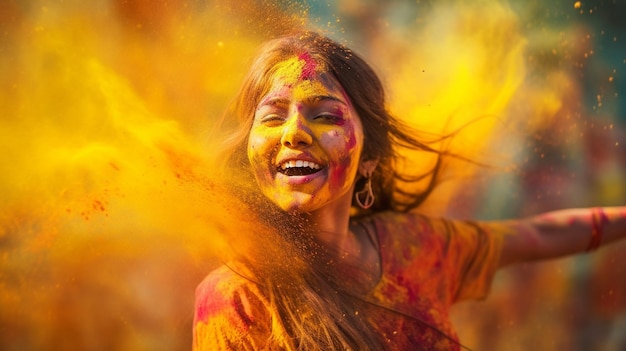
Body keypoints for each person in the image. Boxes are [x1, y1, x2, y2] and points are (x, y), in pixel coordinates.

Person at [192, 31, 626, 350]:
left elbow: (538, 235)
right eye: (271, 117)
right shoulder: (235, 299)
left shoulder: (414, 247)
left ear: (370, 160)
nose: (294, 133)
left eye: (324, 115)